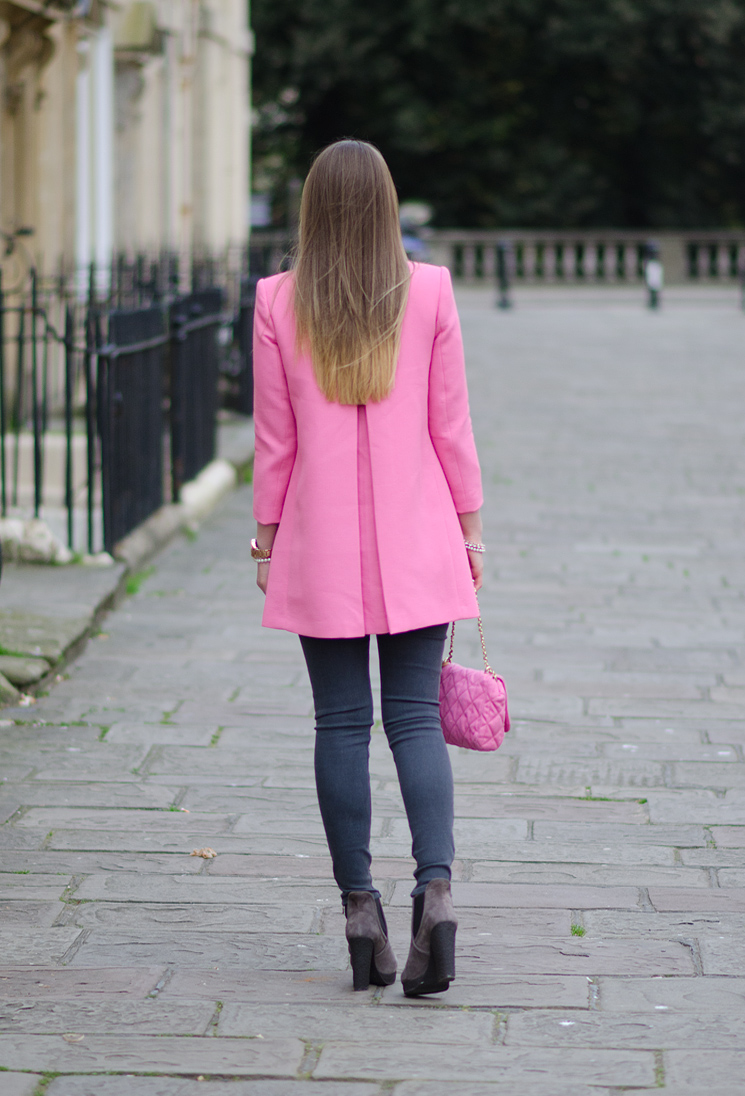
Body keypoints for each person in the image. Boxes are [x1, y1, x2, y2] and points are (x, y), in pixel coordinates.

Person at [251, 139, 484, 996]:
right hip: (419, 535)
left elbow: (275, 441)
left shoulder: (277, 299)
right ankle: (437, 892)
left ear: (311, 209)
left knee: (340, 726)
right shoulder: (429, 291)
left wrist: (268, 539)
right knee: (415, 721)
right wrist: (470, 532)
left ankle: (360, 912)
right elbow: (450, 425)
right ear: (388, 207)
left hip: (320, 544)